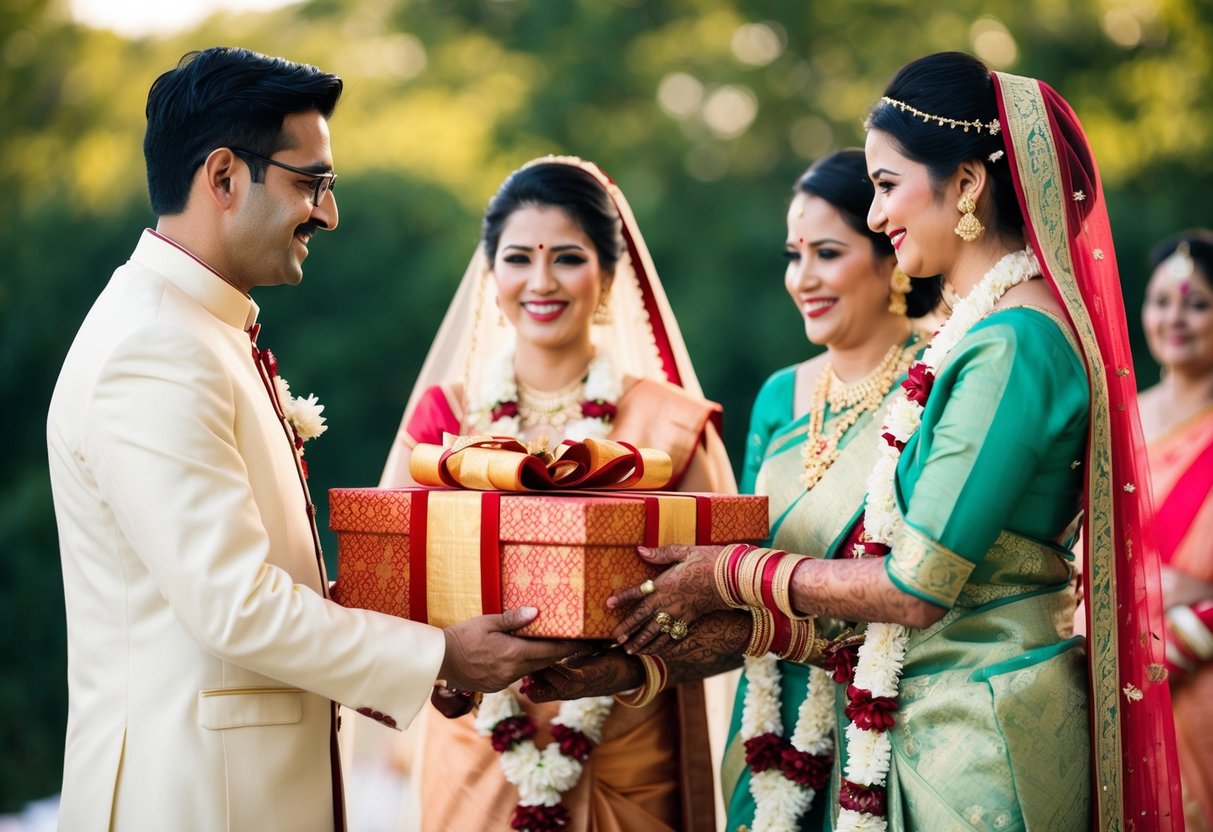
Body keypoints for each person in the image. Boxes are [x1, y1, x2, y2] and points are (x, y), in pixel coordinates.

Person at [595, 52, 1184, 830]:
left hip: (974, 748)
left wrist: (729, 571)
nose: (874, 216)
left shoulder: (1012, 344)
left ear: (967, 184)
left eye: (884, 185)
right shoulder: (980, 332)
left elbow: (913, 587)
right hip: (931, 722)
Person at [46, 47, 576, 831]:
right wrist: (440, 656)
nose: (326, 214)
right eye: (311, 183)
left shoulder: (197, 329)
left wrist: (409, 633)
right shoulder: (155, 348)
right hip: (193, 800)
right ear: (223, 177)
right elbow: (235, 607)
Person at [378, 155, 736, 832]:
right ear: (492, 276)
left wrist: (619, 673)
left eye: (567, 257)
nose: (540, 281)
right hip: (476, 751)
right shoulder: (442, 424)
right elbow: (389, 590)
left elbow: (730, 625)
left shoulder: (674, 427)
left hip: (629, 753)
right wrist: (441, 667)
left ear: (606, 276)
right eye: (518, 258)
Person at [1138, 230, 1213, 830]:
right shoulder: (1121, 416)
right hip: (1120, 674)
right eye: (1162, 301)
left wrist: (1187, 612)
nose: (1176, 318)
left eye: (1197, 303)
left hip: (1201, 676)